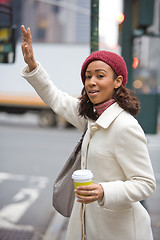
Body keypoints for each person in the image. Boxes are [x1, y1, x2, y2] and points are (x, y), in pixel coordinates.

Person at [21, 25, 156, 240]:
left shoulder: (125, 127)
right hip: (86, 227)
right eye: (88, 76)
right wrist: (33, 66)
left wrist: (104, 190)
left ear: (117, 81)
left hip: (122, 232)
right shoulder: (91, 117)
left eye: (100, 76)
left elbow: (145, 183)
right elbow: (56, 98)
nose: (91, 82)